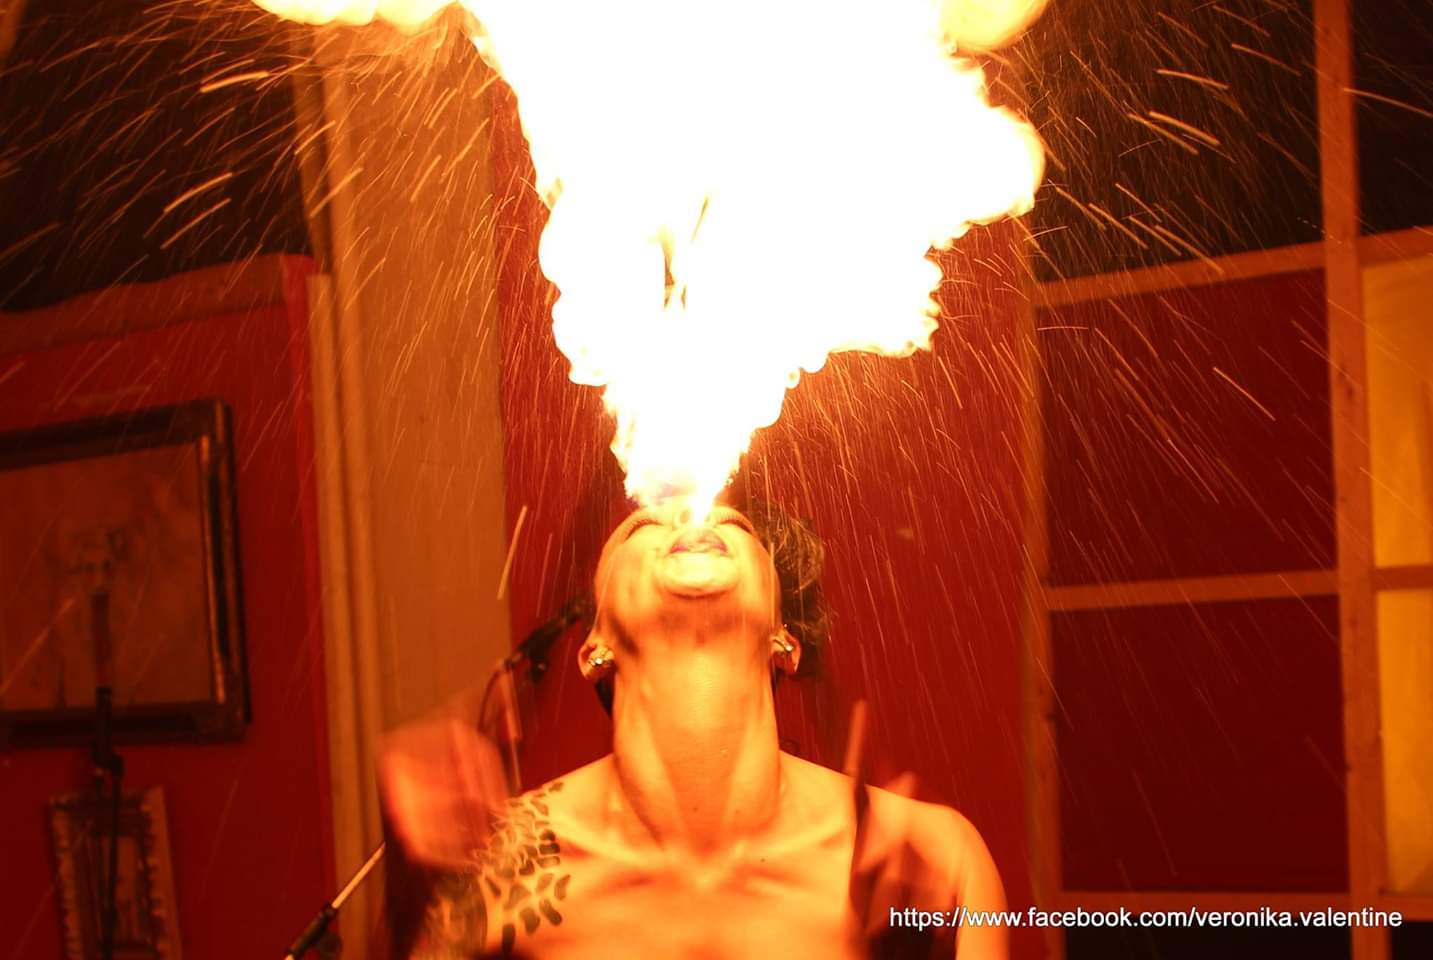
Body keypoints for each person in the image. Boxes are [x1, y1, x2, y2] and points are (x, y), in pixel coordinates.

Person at [381, 500, 1007, 959]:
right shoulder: (497, 870)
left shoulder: (939, 859)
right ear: (593, 648)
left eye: (734, 524)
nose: (688, 514)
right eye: (645, 524)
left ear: (785, 640)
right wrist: (410, 896)